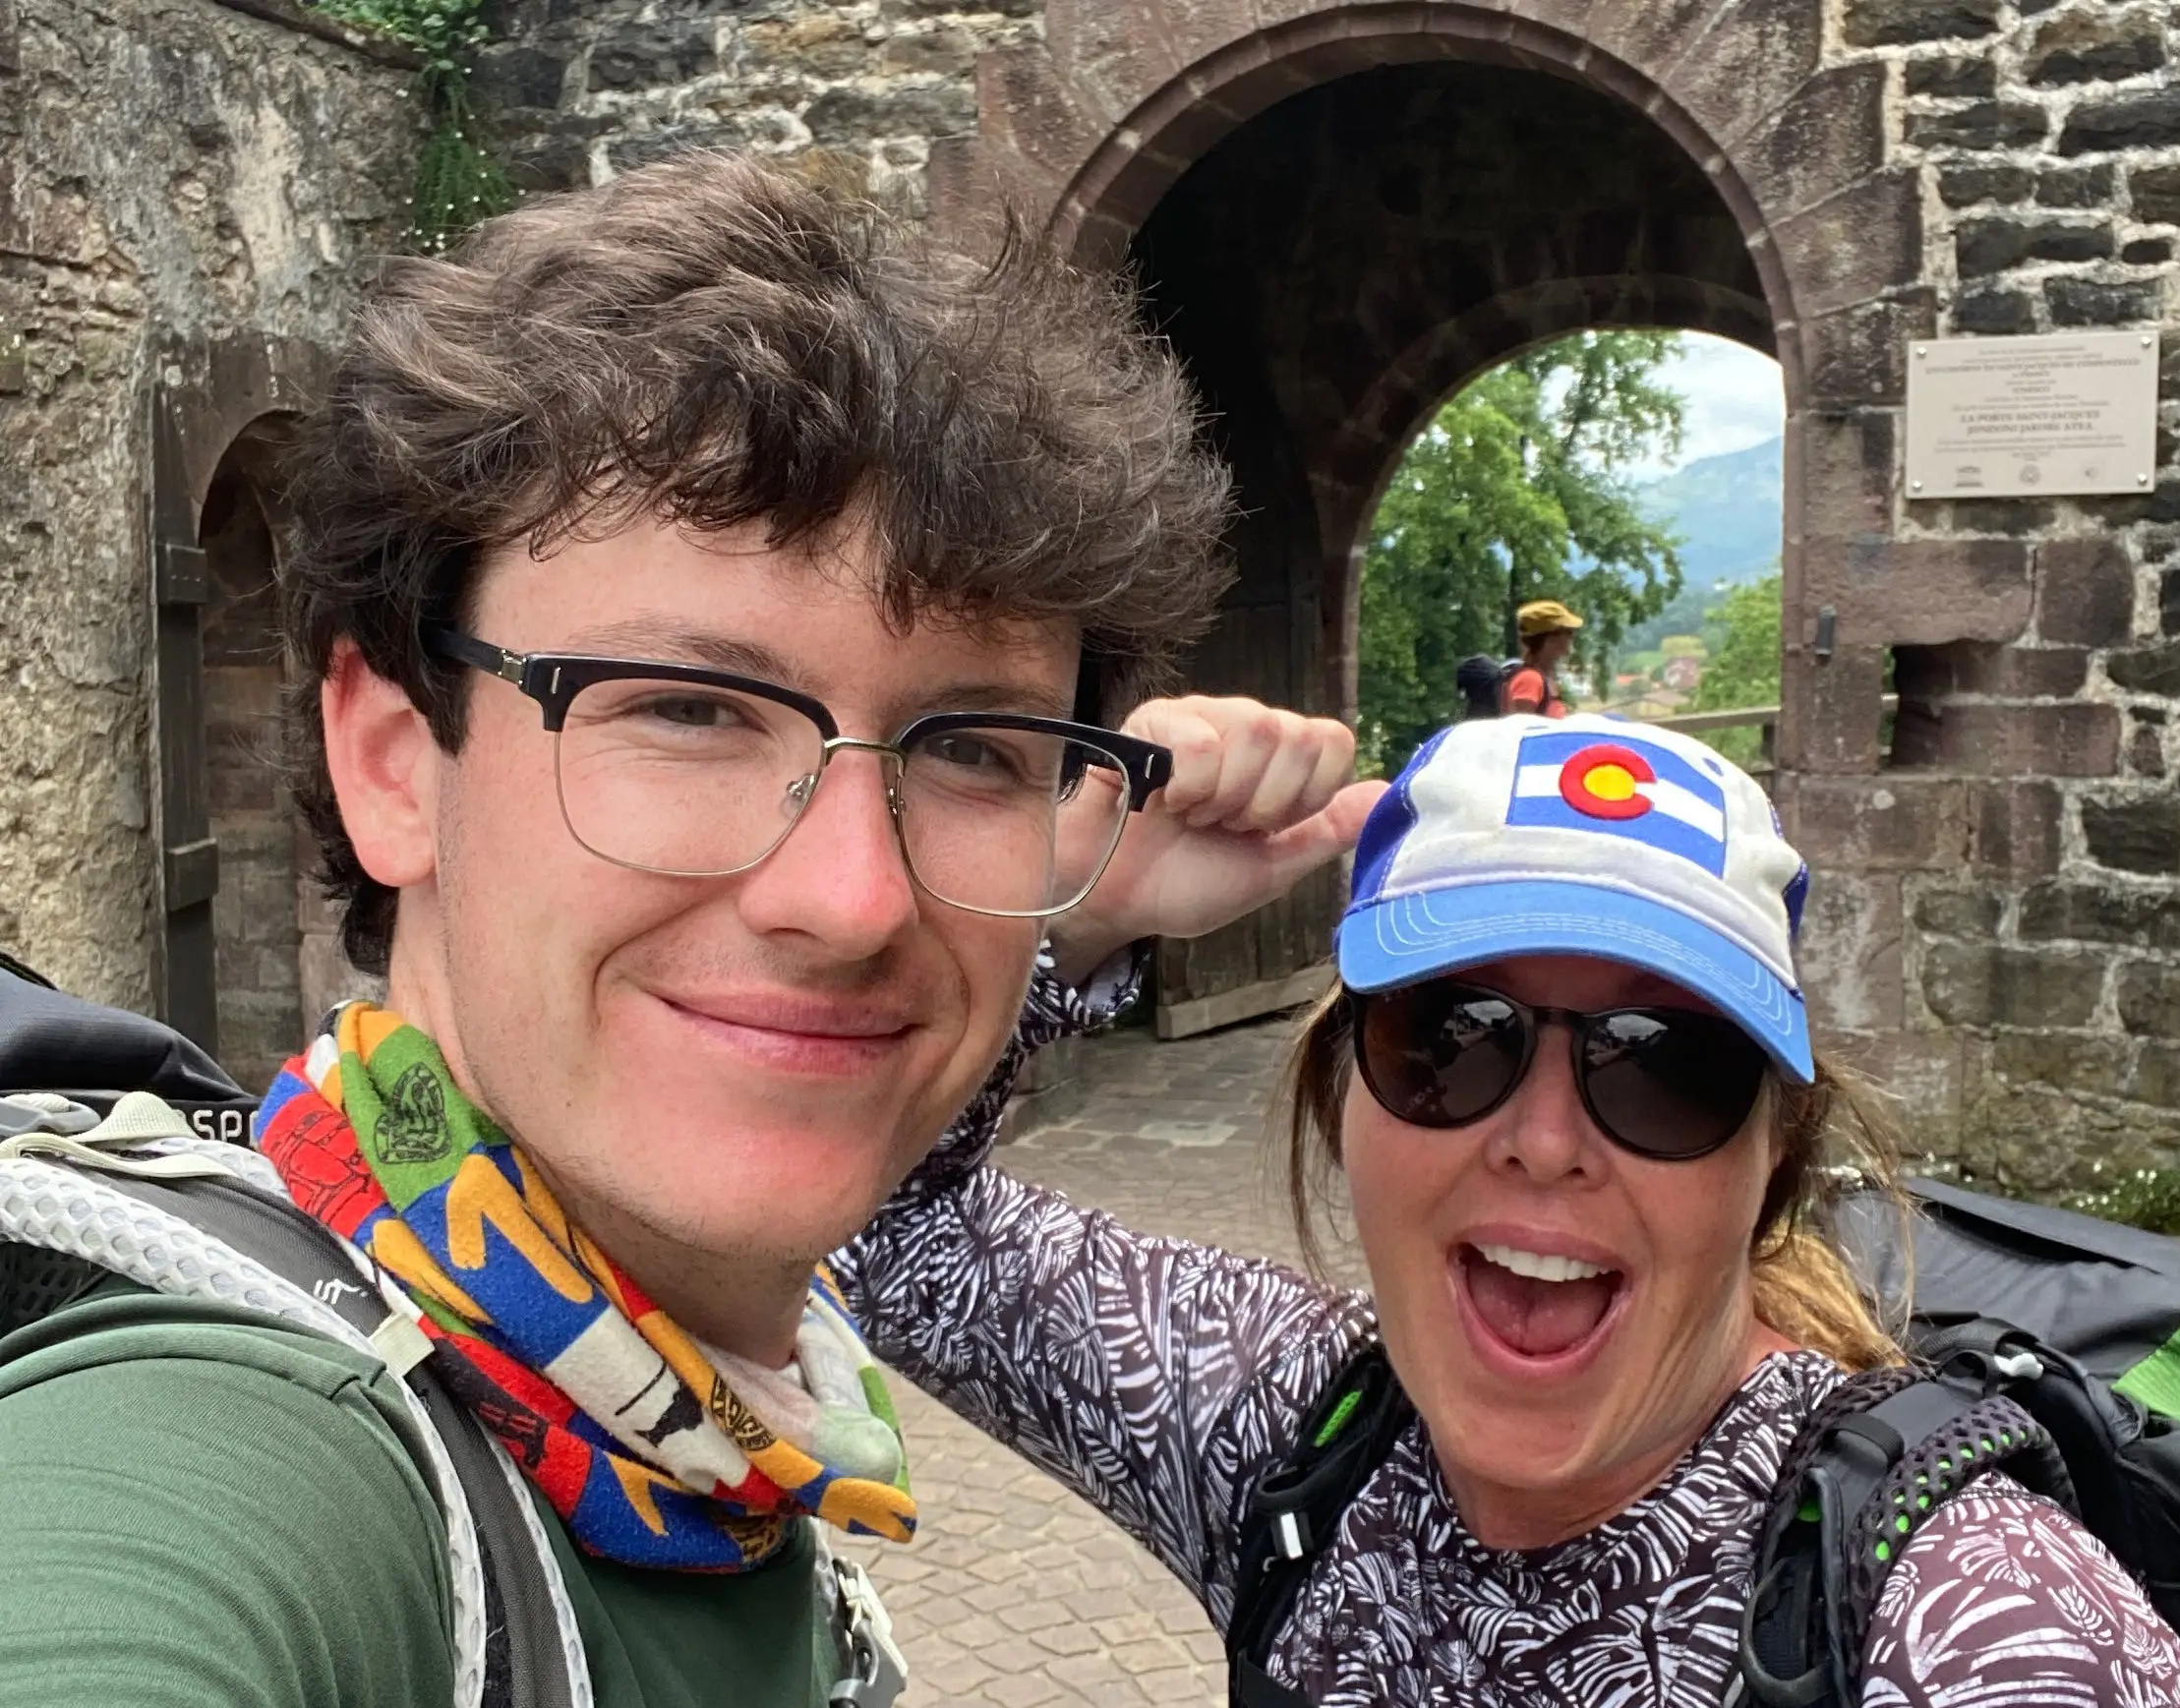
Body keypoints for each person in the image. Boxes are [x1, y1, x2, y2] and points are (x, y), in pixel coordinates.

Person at [0, 155, 1379, 1705]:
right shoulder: (239, 1455)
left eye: (971, 746)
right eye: (686, 712)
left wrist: (1079, 898)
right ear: (393, 759)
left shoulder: (705, 1426)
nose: (851, 898)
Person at [838, 711, 2180, 1707]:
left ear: (1772, 1151)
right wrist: (1068, 922)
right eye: (1457, 1034)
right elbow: (874, 1223)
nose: (1545, 1140)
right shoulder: (1294, 1424)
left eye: (1666, 1065)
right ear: (1341, 1096)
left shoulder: (1969, 1619)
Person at [1503, 597, 1583, 716]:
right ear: (1550, 638)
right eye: (1568, 631)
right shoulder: (1530, 680)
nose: (1572, 637)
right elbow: (1521, 729)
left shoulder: (1544, 678)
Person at [1453, 653, 1512, 720]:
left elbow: (1461, 694)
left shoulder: (1464, 670)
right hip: (1494, 706)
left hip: (1477, 711)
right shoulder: (1493, 670)